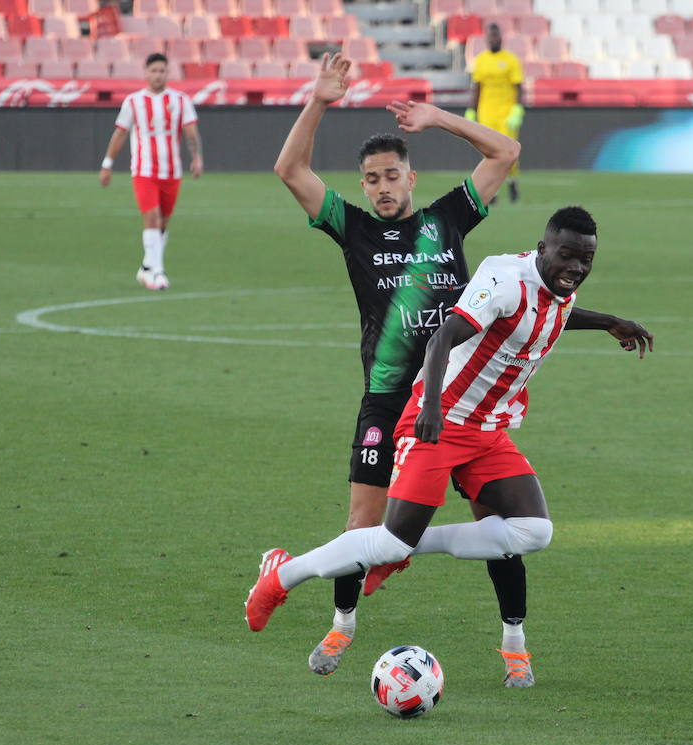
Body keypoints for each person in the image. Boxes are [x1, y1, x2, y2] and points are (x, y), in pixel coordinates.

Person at [245, 206, 653, 688]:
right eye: (567, 256)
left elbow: (552, 312)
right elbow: (442, 338)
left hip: (488, 430)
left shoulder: (556, 284)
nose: (577, 268)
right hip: (440, 421)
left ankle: (410, 551)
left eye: (586, 259)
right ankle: (280, 575)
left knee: (532, 531)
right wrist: (431, 408)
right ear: (543, 248)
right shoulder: (504, 280)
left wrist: (610, 322)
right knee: (390, 537)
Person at [273, 52, 527, 682]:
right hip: (387, 401)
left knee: (498, 526)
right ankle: (341, 628)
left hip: (457, 401)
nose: (383, 187)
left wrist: (439, 115)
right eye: (372, 178)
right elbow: (289, 169)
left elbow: (505, 151)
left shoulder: (447, 220)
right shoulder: (353, 230)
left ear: (411, 178)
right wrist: (319, 99)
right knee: (364, 522)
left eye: (392, 175)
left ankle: (514, 641)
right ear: (362, 186)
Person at [99, 52, 203, 291]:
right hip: (143, 170)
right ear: (146, 73)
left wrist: (196, 158)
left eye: (162, 71)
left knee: (164, 223)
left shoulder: (180, 100)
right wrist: (107, 164)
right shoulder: (133, 102)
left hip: (172, 172)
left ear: (168, 73)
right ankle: (157, 272)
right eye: (154, 70)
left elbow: (190, 132)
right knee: (152, 218)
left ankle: (146, 267)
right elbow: (120, 132)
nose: (158, 75)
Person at [467, 21, 525, 204]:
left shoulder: (511, 60)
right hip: (486, 114)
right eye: (490, 36)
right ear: (486, 38)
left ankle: (513, 182)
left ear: (501, 38)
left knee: (509, 154)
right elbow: (477, 87)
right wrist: (471, 110)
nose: (493, 39)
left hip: (506, 115)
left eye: (496, 35)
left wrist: (517, 109)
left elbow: (519, 87)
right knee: (490, 154)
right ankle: (494, 192)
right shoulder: (481, 61)